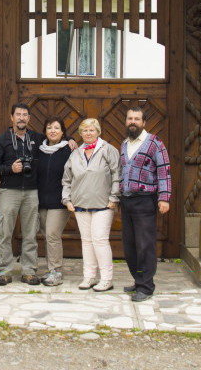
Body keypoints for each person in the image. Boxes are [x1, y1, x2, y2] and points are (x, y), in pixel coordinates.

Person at [118, 106, 171, 302]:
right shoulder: (124, 144)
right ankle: (138, 280)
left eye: (136, 119)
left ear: (144, 122)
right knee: (130, 245)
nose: (133, 122)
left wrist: (164, 197)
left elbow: (164, 171)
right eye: (130, 118)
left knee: (145, 245)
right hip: (127, 200)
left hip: (145, 201)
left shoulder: (155, 144)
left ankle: (146, 287)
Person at [62, 117, 120, 292]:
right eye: (85, 130)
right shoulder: (75, 153)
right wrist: (67, 199)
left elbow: (117, 174)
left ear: (98, 132)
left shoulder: (108, 150)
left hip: (103, 204)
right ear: (80, 133)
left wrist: (114, 198)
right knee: (86, 242)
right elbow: (67, 179)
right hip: (80, 204)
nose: (88, 133)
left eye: (91, 130)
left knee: (100, 240)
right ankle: (89, 277)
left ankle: (107, 279)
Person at [0, 102, 43, 286]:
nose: (21, 117)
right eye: (18, 114)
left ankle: (29, 271)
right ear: (11, 117)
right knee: (5, 232)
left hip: (31, 191)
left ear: (29, 118)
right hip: (8, 191)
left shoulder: (37, 137)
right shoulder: (2, 139)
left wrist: (69, 139)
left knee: (30, 233)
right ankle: (4, 271)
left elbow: (56, 138)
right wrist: (9, 169)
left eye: (25, 115)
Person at [35, 116, 71, 287]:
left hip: (60, 201)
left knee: (52, 234)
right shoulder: (39, 150)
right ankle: (51, 269)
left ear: (63, 132)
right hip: (41, 200)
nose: (53, 131)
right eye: (49, 127)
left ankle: (56, 271)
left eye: (57, 128)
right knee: (46, 235)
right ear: (45, 131)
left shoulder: (69, 150)